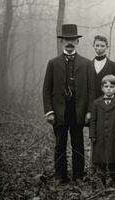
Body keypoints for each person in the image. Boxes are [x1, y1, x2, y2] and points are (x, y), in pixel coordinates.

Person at [42, 24, 94, 185]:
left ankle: (78, 175)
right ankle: (60, 175)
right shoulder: (53, 63)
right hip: (59, 111)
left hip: (78, 111)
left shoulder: (86, 63)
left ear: (77, 42)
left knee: (78, 143)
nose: (69, 42)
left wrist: (89, 111)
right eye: (66, 40)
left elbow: (92, 89)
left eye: (72, 39)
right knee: (60, 144)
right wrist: (49, 111)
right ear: (61, 42)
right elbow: (46, 89)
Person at [89, 75, 115, 187]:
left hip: (114, 137)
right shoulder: (96, 103)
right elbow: (93, 120)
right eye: (106, 86)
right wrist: (92, 134)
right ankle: (101, 179)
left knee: (114, 158)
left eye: (111, 86)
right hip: (99, 137)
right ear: (102, 88)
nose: (109, 88)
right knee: (100, 158)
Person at [92, 35, 115, 99]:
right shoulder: (88, 65)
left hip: (109, 104)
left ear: (107, 47)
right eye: (97, 45)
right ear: (93, 46)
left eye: (102, 46)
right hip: (92, 105)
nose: (99, 48)